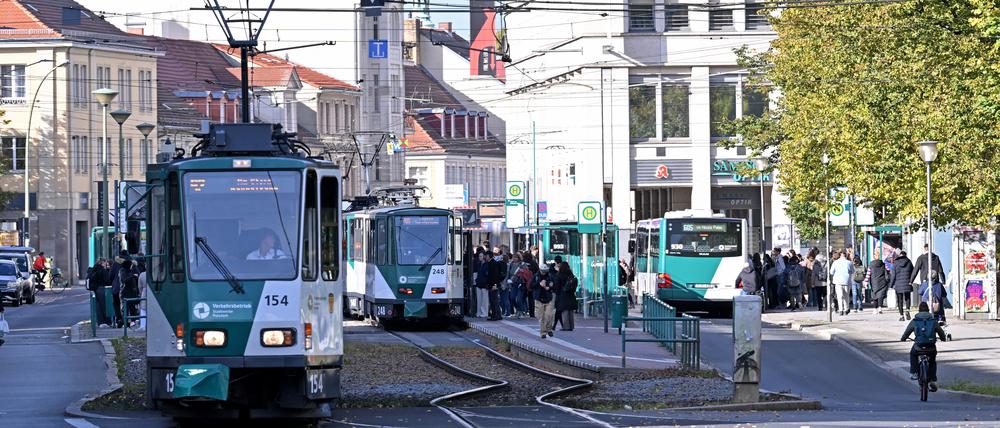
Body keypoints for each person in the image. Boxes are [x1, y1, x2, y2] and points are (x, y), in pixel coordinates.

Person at [900, 302, 947, 391]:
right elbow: (941, 332)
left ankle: (915, 373)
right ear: (928, 310)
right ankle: (933, 379)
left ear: (919, 310)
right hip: (931, 347)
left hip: (919, 346)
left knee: (913, 354)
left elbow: (907, 332)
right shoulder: (933, 321)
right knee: (932, 361)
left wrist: (903, 338)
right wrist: (943, 338)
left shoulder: (915, 321)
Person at [533, 263, 557, 338]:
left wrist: (550, 287)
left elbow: (555, 286)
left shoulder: (550, 276)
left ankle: (549, 328)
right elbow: (531, 285)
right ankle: (543, 332)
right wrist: (539, 284)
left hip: (549, 297)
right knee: (540, 316)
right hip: (539, 298)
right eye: (542, 271)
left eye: (545, 271)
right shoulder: (536, 276)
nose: (544, 273)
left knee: (549, 315)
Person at [891, 250, 915, 321]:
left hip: (898, 284)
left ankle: (901, 316)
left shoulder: (896, 263)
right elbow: (913, 272)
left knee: (900, 300)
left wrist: (891, 285)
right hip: (907, 283)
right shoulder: (909, 262)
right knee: (907, 298)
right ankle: (907, 310)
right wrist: (911, 281)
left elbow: (893, 275)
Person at [554, 261, 578, 331]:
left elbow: (557, 286)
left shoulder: (559, 274)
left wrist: (557, 293)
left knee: (565, 311)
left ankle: (566, 326)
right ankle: (571, 326)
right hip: (570, 294)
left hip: (563, 294)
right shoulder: (570, 274)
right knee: (570, 311)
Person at [830, 251, 854, 316]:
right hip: (846, 281)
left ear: (840, 255)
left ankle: (840, 310)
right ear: (846, 256)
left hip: (838, 281)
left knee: (839, 296)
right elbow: (852, 271)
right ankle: (846, 309)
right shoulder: (849, 263)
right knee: (846, 296)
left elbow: (831, 272)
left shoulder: (835, 262)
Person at [503, 254, 524, 318]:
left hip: (520, 284)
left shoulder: (522, 265)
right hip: (512, 284)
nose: (514, 259)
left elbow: (525, 274)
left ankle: (520, 311)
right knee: (512, 298)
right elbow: (508, 273)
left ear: (519, 258)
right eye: (513, 257)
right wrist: (507, 281)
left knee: (519, 299)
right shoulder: (511, 264)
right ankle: (518, 309)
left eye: (516, 257)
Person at [487, 248, 505, 320]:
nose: (485, 257)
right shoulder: (490, 263)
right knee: (492, 300)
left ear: (489, 256)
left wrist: (495, 284)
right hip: (491, 284)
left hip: (494, 285)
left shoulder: (493, 263)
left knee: (495, 301)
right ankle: (494, 315)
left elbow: (495, 275)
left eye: (486, 256)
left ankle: (497, 315)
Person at [474, 252, 491, 318]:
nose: (479, 257)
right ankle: (479, 312)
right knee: (479, 299)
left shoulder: (486, 264)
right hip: (479, 283)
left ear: (484, 256)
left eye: (481, 256)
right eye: (479, 256)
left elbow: (487, 275)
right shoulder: (479, 264)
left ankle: (484, 312)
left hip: (484, 284)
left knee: (484, 299)